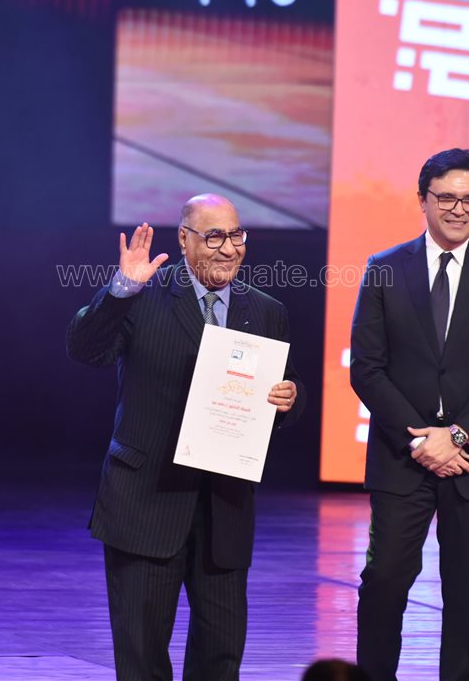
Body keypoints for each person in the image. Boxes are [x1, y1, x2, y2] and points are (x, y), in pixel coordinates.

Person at [67, 193, 306, 681]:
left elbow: (284, 387)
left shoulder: (266, 310)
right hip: (146, 502)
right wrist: (120, 290)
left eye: (236, 235)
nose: (229, 248)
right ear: (184, 238)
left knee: (221, 658)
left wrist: (290, 398)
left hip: (224, 509)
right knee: (142, 659)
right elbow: (85, 350)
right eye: (214, 236)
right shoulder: (142, 296)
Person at [350, 149, 469, 681]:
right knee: (384, 579)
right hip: (403, 456)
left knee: (467, 590)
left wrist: (455, 435)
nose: (459, 209)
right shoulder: (385, 269)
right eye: (448, 198)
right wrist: (421, 441)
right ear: (423, 200)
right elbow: (367, 368)